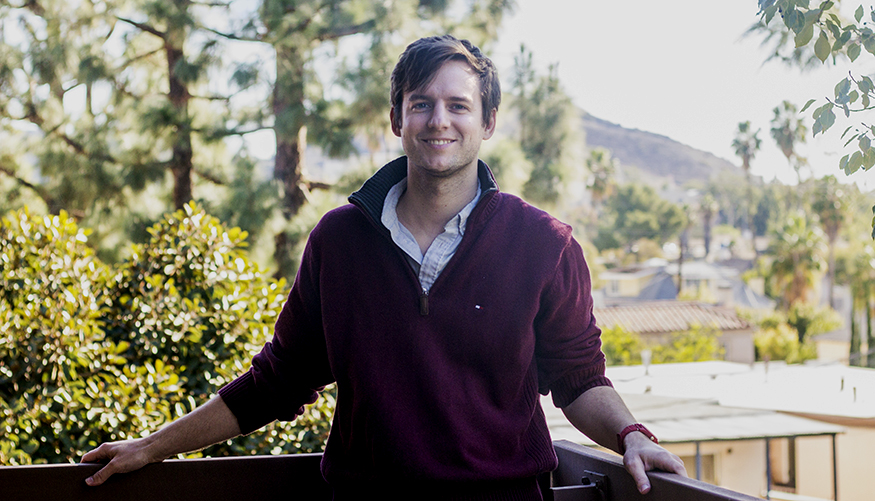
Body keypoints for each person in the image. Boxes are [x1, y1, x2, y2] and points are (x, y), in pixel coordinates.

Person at [82, 35, 686, 498]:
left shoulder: (544, 244)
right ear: (397, 119)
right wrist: (152, 447)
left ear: (488, 122)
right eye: (421, 104)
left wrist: (633, 435)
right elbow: (278, 379)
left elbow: (579, 380)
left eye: (458, 105)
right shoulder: (339, 241)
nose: (439, 121)